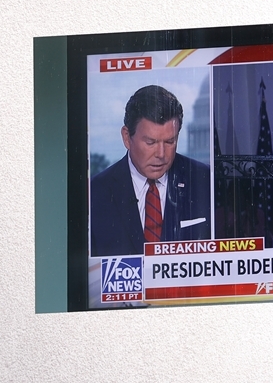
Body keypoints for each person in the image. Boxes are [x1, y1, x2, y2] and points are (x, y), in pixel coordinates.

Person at [90, 85, 211, 256]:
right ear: (127, 137)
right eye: (150, 143)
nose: (161, 154)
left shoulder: (204, 181)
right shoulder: (96, 192)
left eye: (169, 142)